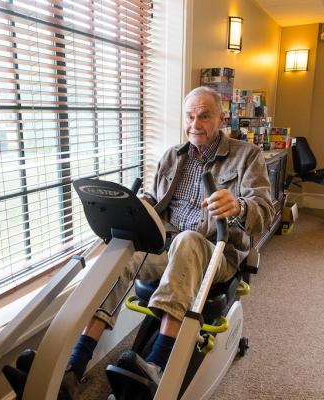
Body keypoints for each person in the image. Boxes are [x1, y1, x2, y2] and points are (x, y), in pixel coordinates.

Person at [60, 86, 275, 398]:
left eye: (204, 116)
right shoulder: (173, 156)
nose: (194, 124)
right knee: (122, 256)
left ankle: (157, 364)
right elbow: (154, 200)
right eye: (189, 116)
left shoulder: (247, 156)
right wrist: (133, 210)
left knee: (188, 240)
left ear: (220, 118)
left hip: (216, 251)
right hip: (167, 245)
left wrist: (240, 206)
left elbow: (265, 213)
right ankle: (74, 365)